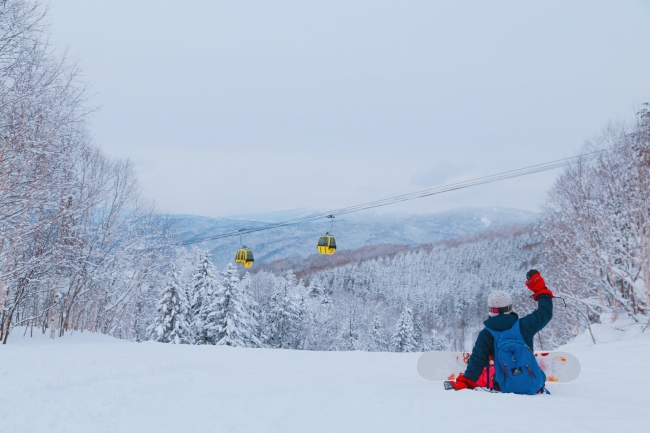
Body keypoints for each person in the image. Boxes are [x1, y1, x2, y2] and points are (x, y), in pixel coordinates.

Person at [449, 269, 553, 393]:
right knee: (536, 374)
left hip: (506, 386)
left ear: (491, 311)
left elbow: (477, 362)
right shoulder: (524, 325)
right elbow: (545, 312)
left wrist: (465, 381)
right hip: (535, 384)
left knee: (488, 373)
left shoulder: (486, 334)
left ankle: (492, 369)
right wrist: (540, 289)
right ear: (510, 307)